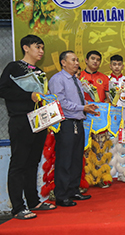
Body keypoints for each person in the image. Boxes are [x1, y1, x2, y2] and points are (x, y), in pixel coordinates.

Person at [0, 35, 56, 219]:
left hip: (38, 120)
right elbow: (3, 90)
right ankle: (18, 207)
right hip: (20, 120)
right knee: (19, 163)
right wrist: (28, 96)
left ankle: (33, 201)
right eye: (37, 47)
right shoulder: (14, 67)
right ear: (26, 47)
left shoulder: (40, 72)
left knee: (33, 162)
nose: (41, 51)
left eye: (42, 48)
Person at [49, 51, 97, 207]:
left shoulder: (76, 79)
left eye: (77, 60)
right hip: (66, 123)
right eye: (73, 60)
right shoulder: (58, 79)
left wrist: (87, 106)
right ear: (63, 62)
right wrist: (83, 107)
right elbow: (60, 102)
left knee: (76, 158)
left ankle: (73, 190)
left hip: (78, 122)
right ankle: (61, 195)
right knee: (65, 159)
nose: (77, 63)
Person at [80, 50, 112, 188]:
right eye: (92, 59)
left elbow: (108, 97)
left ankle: (100, 178)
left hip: (100, 118)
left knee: (100, 148)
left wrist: (110, 104)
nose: (95, 62)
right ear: (86, 60)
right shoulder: (78, 76)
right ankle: (85, 180)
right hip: (83, 116)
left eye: (98, 60)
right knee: (85, 149)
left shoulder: (104, 78)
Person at [108, 54, 125, 183]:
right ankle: (109, 173)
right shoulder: (106, 80)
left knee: (124, 146)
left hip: (124, 118)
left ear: (123, 66)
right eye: (114, 64)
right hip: (110, 120)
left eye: (119, 64)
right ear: (110, 65)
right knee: (110, 145)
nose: (117, 67)